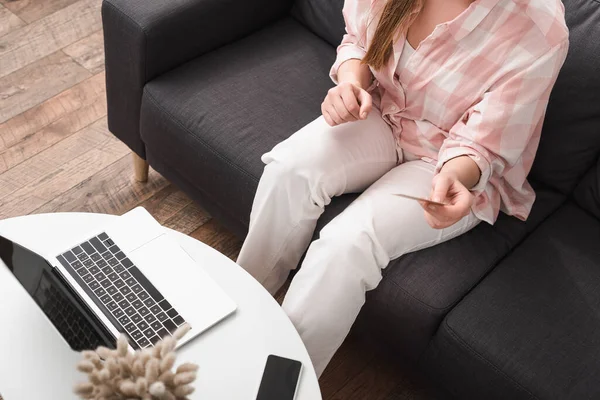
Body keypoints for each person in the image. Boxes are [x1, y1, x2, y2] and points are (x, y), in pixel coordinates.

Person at [237, 0, 569, 376]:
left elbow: (485, 145)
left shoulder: (539, 27)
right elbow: (358, 42)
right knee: (290, 169)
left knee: (348, 244)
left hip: (448, 159)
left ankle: (275, 383)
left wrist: (455, 178)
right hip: (382, 111)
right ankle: (238, 312)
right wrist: (350, 85)